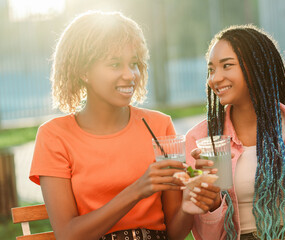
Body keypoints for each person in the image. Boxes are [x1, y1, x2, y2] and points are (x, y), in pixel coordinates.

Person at [29, 11, 219, 240]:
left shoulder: (159, 126)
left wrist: (189, 203)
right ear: (83, 71)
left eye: (135, 63)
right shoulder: (54, 136)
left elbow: (175, 234)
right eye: (115, 64)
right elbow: (68, 235)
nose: (130, 75)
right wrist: (137, 191)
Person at [185, 25, 285, 240]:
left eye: (227, 66)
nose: (215, 78)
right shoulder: (200, 140)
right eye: (211, 69)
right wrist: (212, 200)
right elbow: (208, 237)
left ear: (256, 67)